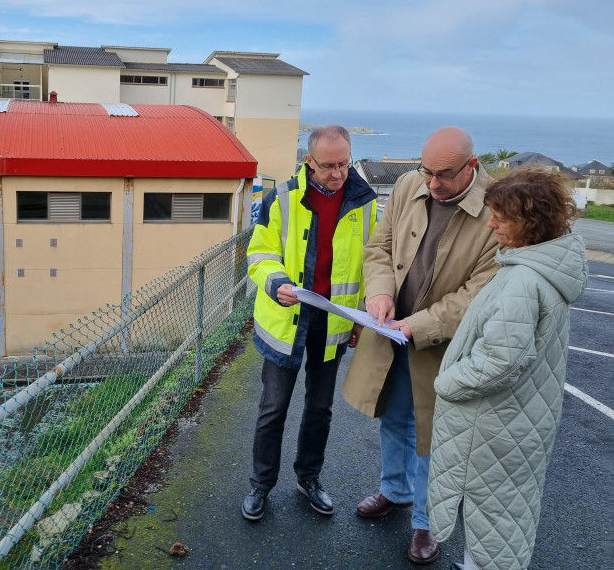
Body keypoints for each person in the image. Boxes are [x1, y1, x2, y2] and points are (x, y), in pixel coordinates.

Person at [342, 127, 499, 564]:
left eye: (443, 174)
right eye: (425, 170)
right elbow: (380, 246)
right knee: (393, 417)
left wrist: (418, 324)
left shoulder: (496, 209)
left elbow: (479, 294)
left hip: (440, 346)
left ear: (472, 165)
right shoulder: (410, 184)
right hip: (390, 331)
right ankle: (395, 490)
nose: (431, 183)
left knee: (436, 436)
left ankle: (428, 522)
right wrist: (378, 292)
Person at [427, 166, 587, 570]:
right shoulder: (539, 268)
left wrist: (446, 383)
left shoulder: (522, 280)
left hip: (494, 428)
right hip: (521, 421)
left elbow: (500, 360)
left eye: (503, 216)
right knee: (503, 521)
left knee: (489, 526)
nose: (491, 221)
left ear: (530, 223)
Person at [242, 125, 377, 521]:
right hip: (287, 319)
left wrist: (363, 317)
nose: (337, 174)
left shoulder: (365, 201)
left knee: (320, 407)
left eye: (344, 164)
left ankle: (309, 478)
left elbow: (372, 263)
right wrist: (277, 281)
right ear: (309, 161)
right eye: (328, 166)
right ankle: (260, 485)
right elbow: (260, 252)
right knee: (273, 408)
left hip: (334, 321)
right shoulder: (281, 197)